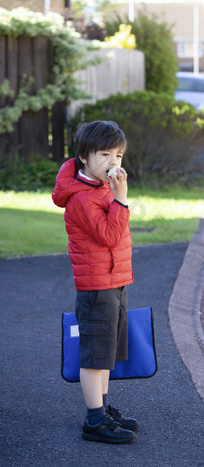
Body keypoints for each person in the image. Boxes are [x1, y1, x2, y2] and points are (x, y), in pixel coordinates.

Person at [52, 120, 138, 444]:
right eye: (105, 154)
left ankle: (101, 408)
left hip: (113, 280)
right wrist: (121, 200)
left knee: (106, 353)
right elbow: (109, 235)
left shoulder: (100, 188)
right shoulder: (81, 198)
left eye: (118, 155)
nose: (113, 162)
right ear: (84, 157)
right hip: (96, 286)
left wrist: (115, 197)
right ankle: (94, 420)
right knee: (94, 355)